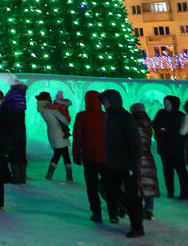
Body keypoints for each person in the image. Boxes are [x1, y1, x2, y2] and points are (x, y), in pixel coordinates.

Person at [100, 89, 144, 238]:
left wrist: (135, 163)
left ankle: (137, 226)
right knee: (111, 189)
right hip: (114, 162)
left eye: (106, 101)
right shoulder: (110, 116)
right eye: (103, 101)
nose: (104, 104)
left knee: (132, 195)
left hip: (127, 163)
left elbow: (135, 141)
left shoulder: (125, 117)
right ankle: (125, 208)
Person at [72, 90, 112, 223]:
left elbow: (77, 137)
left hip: (89, 157)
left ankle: (97, 212)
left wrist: (76, 154)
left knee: (92, 186)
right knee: (109, 184)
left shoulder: (82, 116)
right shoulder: (106, 116)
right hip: (106, 157)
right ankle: (113, 212)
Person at [152, 95, 188, 200]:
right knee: (168, 172)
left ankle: (184, 192)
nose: (167, 105)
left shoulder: (181, 115)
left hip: (178, 148)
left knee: (181, 171)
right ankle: (170, 192)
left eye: (169, 103)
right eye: (165, 103)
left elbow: (185, 132)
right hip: (165, 148)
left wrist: (170, 132)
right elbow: (155, 124)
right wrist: (160, 131)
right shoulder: (161, 113)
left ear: (174, 104)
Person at [129, 103, 160, 220]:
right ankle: (149, 209)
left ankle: (138, 208)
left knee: (137, 183)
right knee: (148, 182)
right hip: (147, 155)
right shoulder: (148, 121)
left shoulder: (133, 122)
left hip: (136, 156)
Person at [0, 82, 28, 184]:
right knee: (21, 154)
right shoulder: (21, 105)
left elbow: (2, 120)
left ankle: (17, 178)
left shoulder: (7, 107)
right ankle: (23, 177)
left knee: (14, 155)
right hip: (21, 134)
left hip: (11, 134)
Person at [37, 91, 72, 182]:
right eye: (49, 97)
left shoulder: (43, 110)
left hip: (52, 133)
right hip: (60, 133)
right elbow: (65, 121)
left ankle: (50, 174)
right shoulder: (53, 110)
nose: (51, 98)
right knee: (65, 154)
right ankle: (69, 176)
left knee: (57, 153)